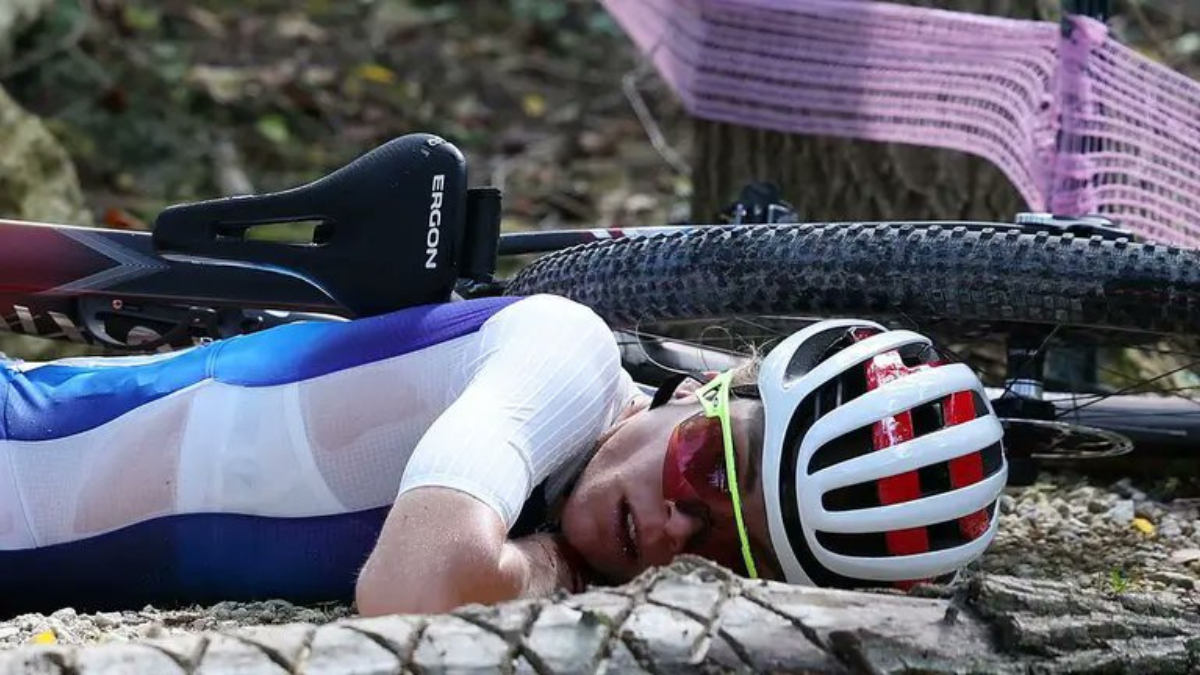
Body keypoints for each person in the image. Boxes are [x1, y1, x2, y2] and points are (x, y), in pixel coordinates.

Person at [0, 293, 1006, 616]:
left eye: (724, 551)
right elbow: (416, 588)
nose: (672, 526)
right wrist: (556, 569)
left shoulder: (554, 488)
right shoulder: (565, 354)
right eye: (709, 468)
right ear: (704, 390)